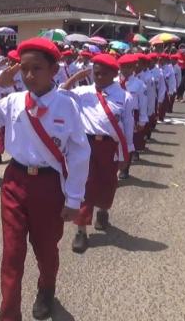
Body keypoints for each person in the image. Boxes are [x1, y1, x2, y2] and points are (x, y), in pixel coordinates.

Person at [0, 37, 90, 320]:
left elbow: (80, 154)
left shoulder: (67, 105)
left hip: (49, 186)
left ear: (54, 70)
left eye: (37, 68)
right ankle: (9, 313)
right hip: (14, 181)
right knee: (12, 253)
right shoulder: (12, 101)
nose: (30, 75)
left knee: (46, 250)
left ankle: (46, 290)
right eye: (24, 69)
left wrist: (74, 199)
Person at [62, 54, 133, 254]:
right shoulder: (83, 91)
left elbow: (128, 127)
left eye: (103, 74)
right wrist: (75, 77)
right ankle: (81, 230)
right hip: (85, 144)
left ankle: (102, 210)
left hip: (109, 147)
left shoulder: (124, 96)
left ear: (114, 74)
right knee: (84, 184)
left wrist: (125, 154)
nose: (99, 77)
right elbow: (60, 93)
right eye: (96, 73)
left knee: (107, 182)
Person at [117, 54, 147, 180]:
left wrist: (142, 120)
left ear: (133, 67)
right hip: (116, 115)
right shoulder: (114, 82)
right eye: (123, 67)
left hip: (131, 115)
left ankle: (125, 168)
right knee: (116, 142)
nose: (126, 70)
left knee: (129, 141)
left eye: (129, 67)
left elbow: (143, 103)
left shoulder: (139, 84)